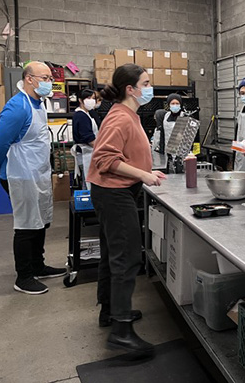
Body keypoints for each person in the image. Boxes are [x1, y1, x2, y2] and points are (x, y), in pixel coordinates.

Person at [87, 63, 166, 356]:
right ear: (130, 89)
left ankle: (110, 311)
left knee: (112, 255)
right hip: (114, 193)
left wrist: (145, 170)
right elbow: (105, 158)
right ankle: (121, 331)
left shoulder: (127, 114)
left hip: (115, 191)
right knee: (127, 258)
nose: (150, 87)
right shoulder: (119, 117)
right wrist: (144, 175)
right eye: (146, 83)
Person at [0, 61, 66, 295]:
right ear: (29, 79)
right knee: (26, 225)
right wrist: (0, 167)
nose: (49, 82)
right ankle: (24, 276)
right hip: (21, 175)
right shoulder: (18, 106)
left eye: (51, 78)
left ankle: (38, 266)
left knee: (40, 221)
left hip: (38, 173)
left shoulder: (38, 103)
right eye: (45, 78)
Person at [71, 89, 99, 189]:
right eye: (88, 98)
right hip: (86, 153)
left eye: (93, 98)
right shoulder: (81, 116)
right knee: (88, 183)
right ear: (80, 100)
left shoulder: (88, 114)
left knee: (88, 181)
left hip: (90, 152)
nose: (91, 101)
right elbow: (89, 139)